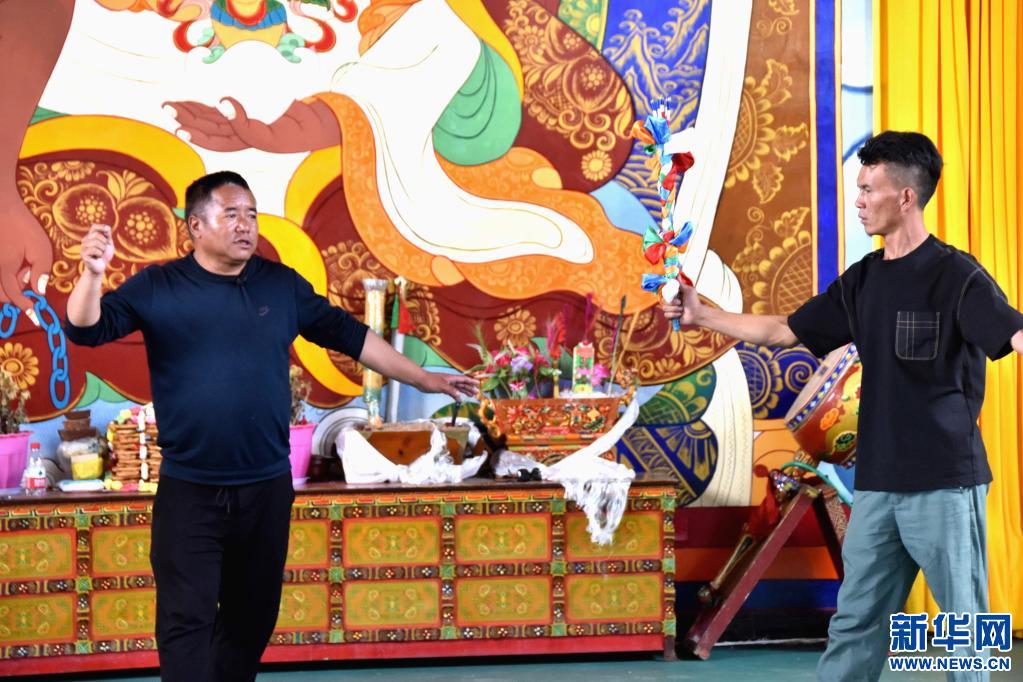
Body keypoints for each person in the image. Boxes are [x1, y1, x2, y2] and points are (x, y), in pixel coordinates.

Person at [64, 170, 478, 682]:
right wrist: (92, 275)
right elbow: (85, 328)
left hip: (265, 486)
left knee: (251, 619)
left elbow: (350, 336)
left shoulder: (280, 286)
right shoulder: (159, 286)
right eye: (231, 214)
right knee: (185, 622)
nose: (246, 225)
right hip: (190, 489)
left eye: (252, 214)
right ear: (196, 226)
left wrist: (425, 378)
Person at [662, 131, 1023, 681]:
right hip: (876, 485)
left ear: (906, 196)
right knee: (856, 622)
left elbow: (1013, 334)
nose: (857, 201)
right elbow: (784, 329)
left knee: (963, 622)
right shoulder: (864, 281)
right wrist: (702, 315)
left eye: (868, 189)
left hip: (944, 484)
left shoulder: (957, 276)